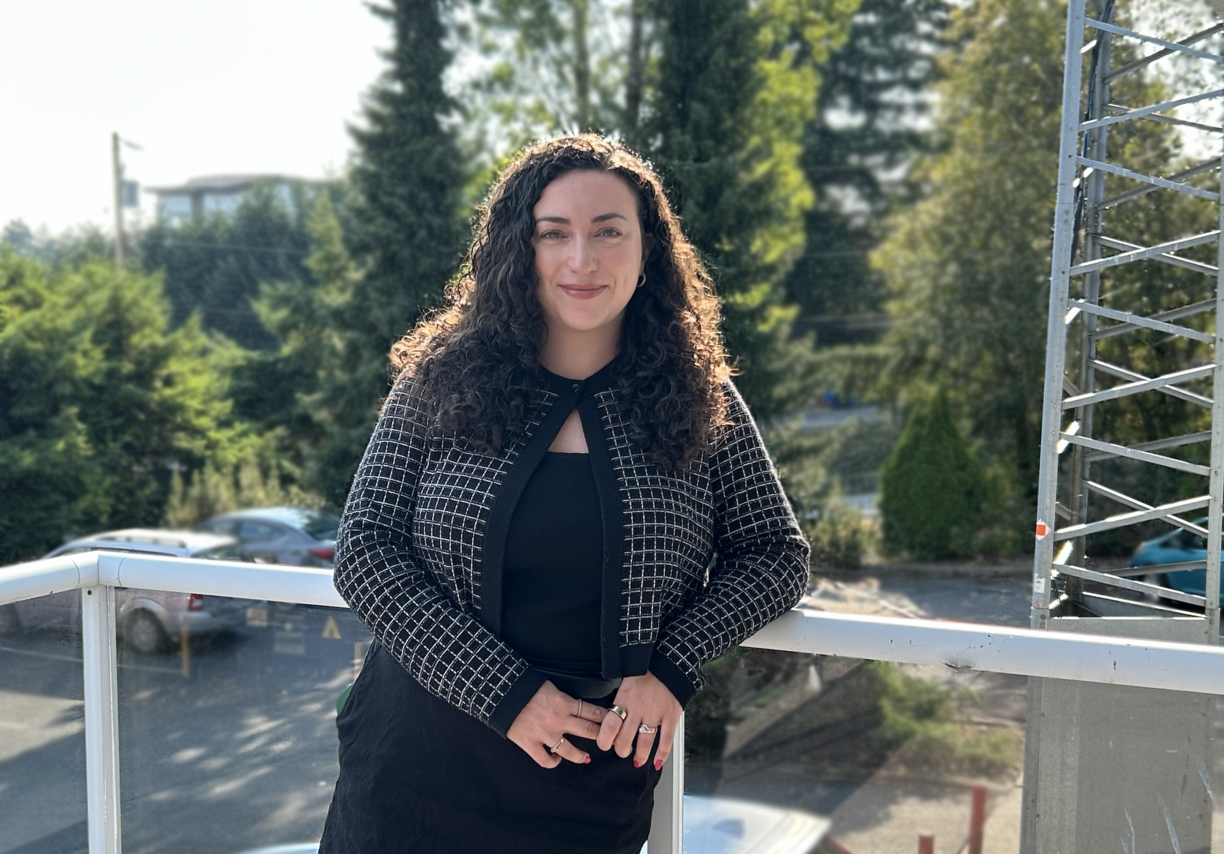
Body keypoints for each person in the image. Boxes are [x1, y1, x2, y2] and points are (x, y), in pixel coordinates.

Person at [318, 134, 810, 854]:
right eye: (556, 234)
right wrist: (507, 694)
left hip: (587, 779)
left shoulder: (701, 397)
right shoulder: (440, 377)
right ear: (523, 251)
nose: (583, 259)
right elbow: (364, 551)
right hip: (413, 764)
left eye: (609, 232)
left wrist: (673, 666)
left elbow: (776, 556)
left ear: (649, 252)